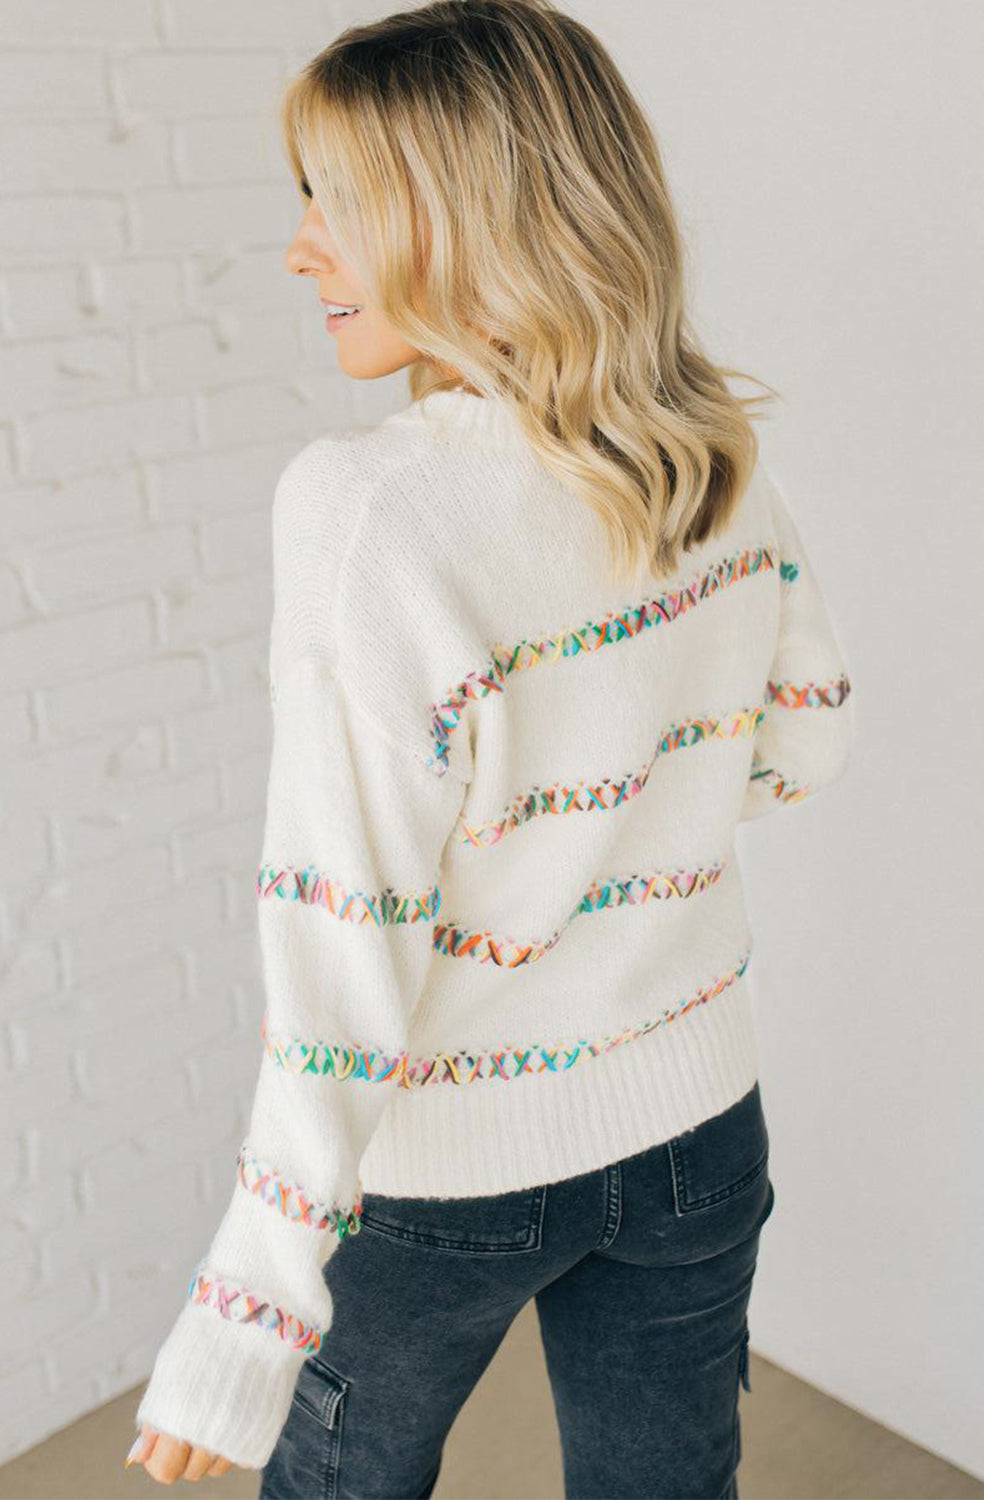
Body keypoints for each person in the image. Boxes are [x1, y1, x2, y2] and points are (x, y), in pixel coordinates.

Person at [126, 0, 854, 1492]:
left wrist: (249, 1306)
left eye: (340, 201)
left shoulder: (370, 511)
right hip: (696, 1123)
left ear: (477, 218)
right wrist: (620, 830)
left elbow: (341, 933)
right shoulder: (707, 450)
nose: (300, 250)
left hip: (446, 1178)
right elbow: (802, 745)